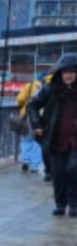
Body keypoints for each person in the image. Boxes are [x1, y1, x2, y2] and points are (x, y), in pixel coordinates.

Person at [28, 54, 77, 217]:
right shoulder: (49, 89)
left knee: (73, 169)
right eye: (66, 72)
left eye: (72, 72)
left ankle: (74, 203)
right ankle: (60, 204)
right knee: (58, 173)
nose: (69, 75)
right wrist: (37, 125)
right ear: (60, 73)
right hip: (55, 138)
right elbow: (32, 106)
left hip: (75, 139)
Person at [16, 71, 48, 174]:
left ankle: (25, 160)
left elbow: (19, 99)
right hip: (42, 117)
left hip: (28, 116)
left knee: (26, 140)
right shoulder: (49, 86)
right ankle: (34, 165)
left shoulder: (29, 86)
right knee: (38, 142)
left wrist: (24, 104)